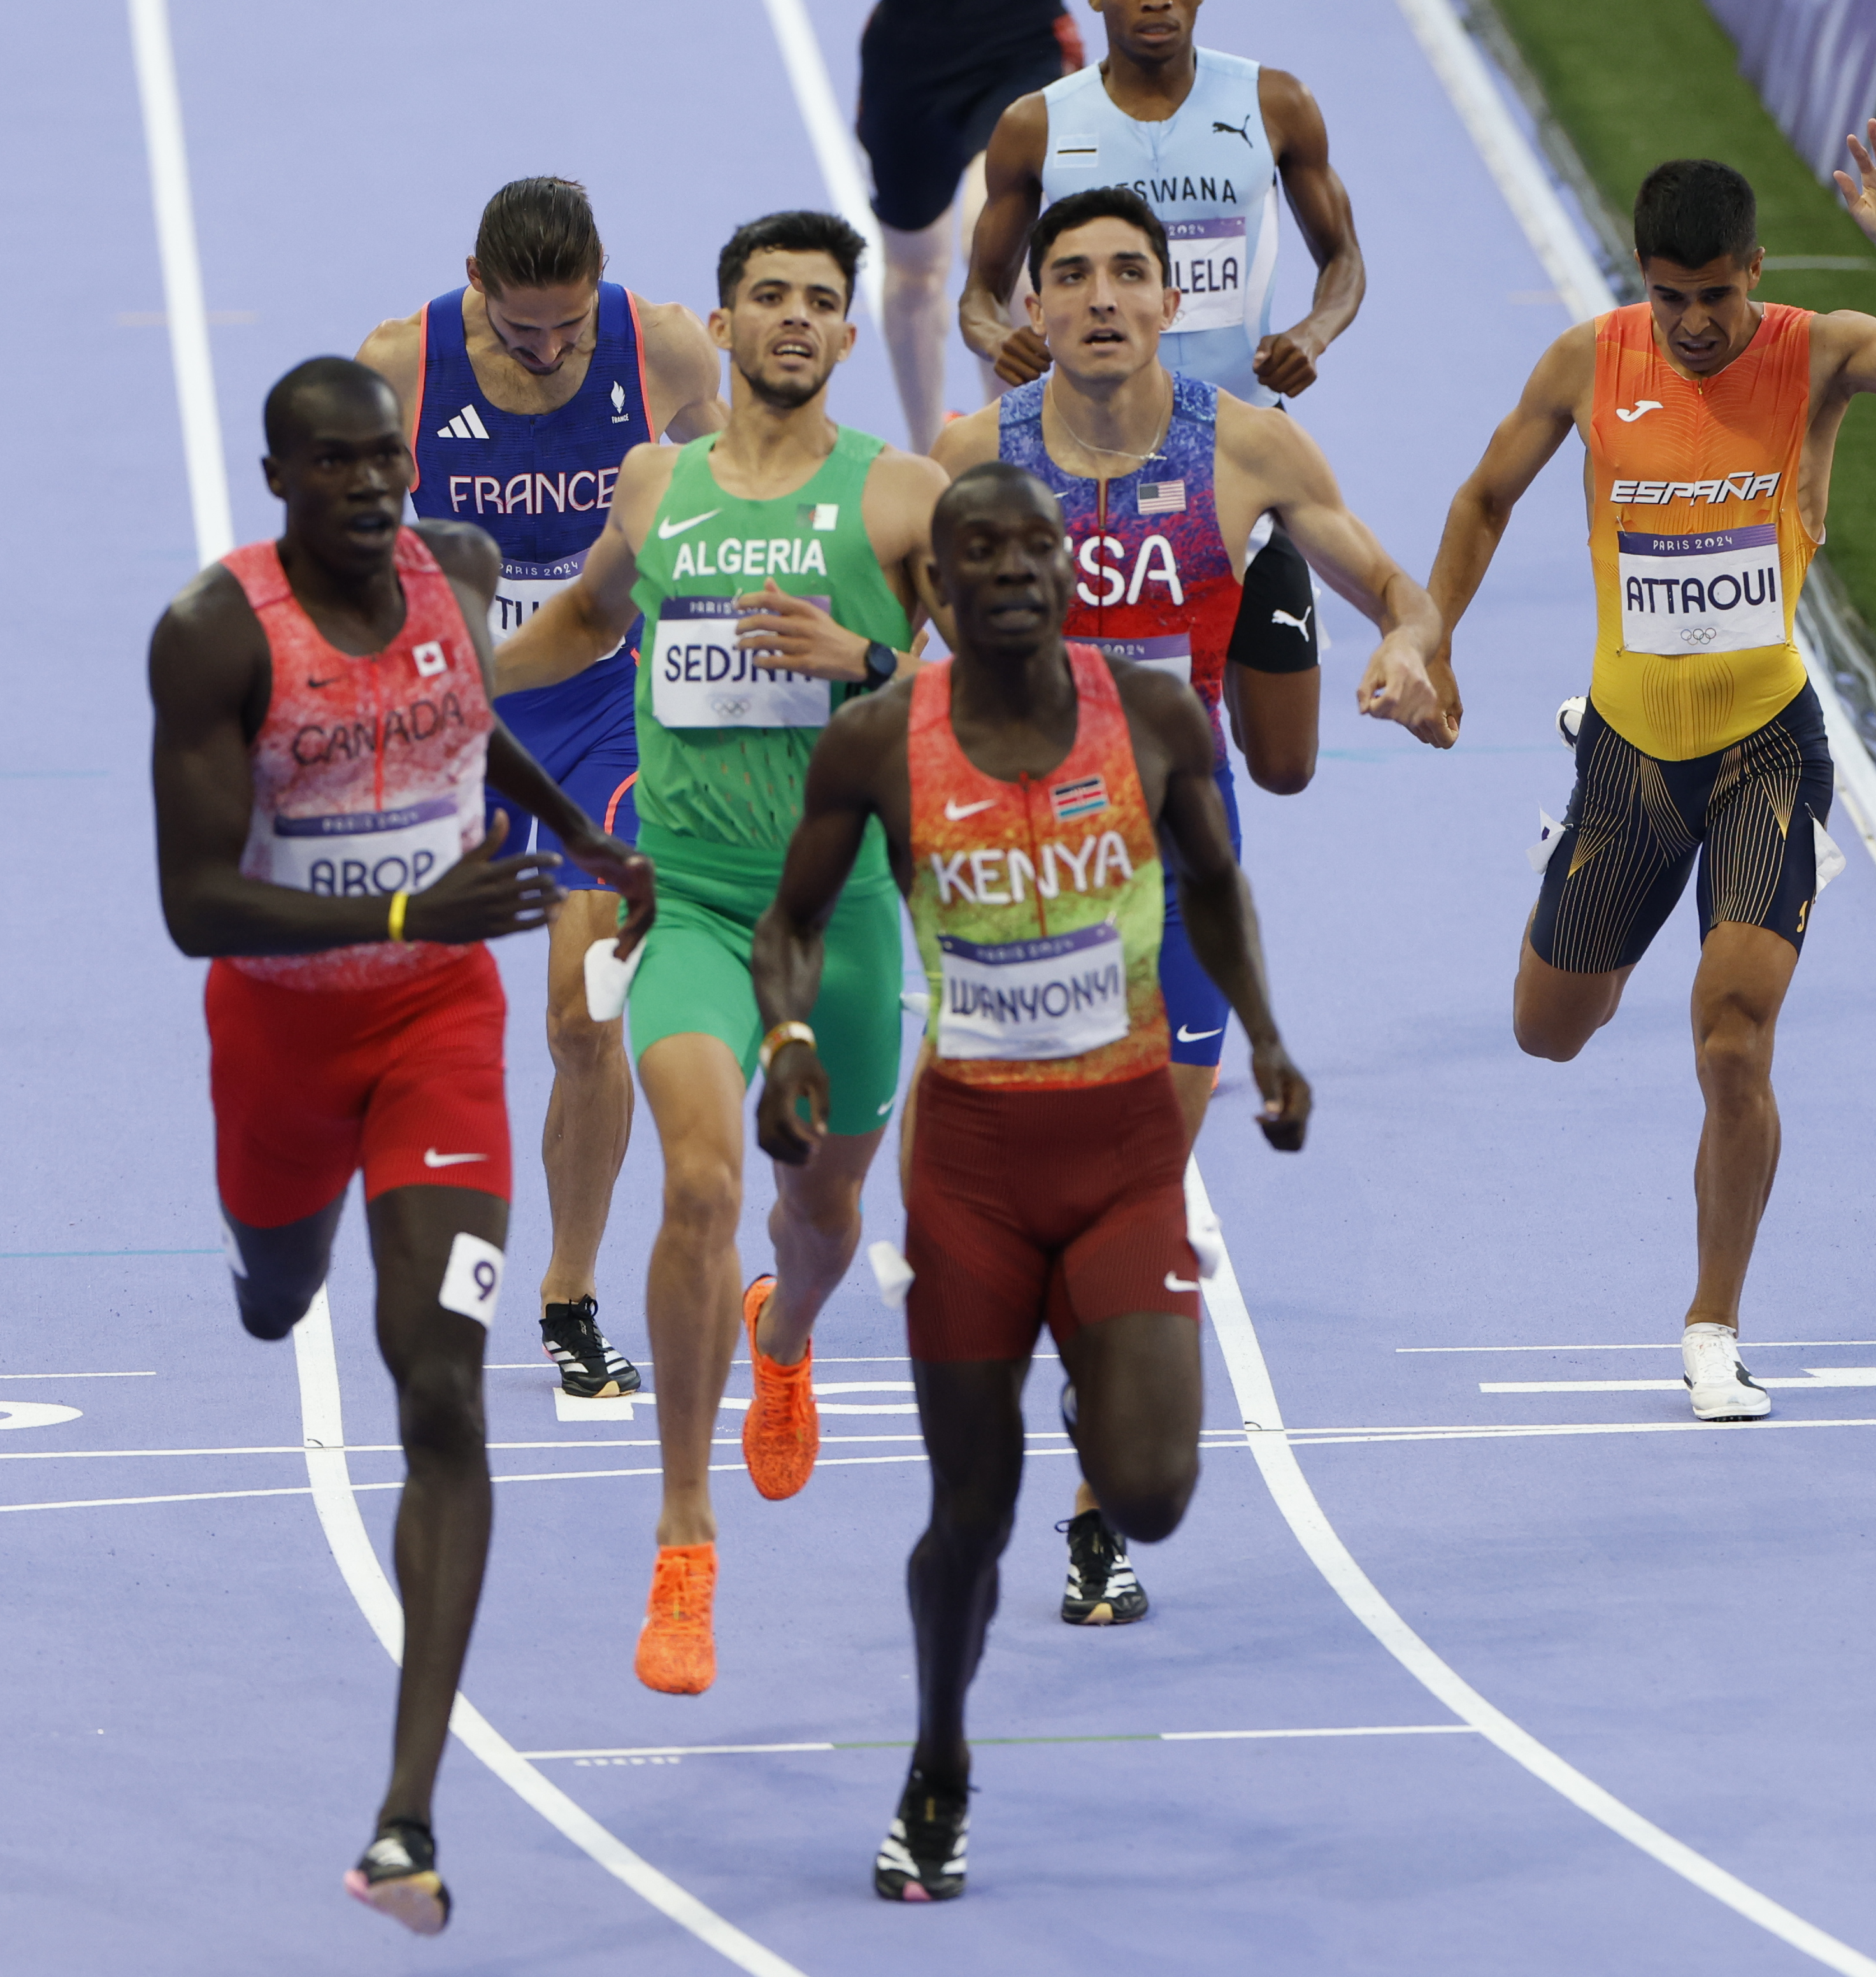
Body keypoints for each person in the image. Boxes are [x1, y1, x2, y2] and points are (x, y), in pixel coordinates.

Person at [749, 460, 1310, 1901]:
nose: (1009, 570)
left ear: (1067, 573)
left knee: (1155, 1490)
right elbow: (793, 921)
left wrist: (1264, 1038)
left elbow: (1212, 888)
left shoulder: (1154, 718)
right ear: (933, 590)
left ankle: (1096, 1373)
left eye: (1032, 549)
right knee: (974, 1512)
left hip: (1124, 1155)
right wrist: (793, 1033)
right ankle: (937, 1763)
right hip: (979, 1173)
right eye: (976, 553)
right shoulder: (880, 742)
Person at [146, 357, 650, 1932]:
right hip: (283, 1036)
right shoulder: (217, 636)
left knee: (437, 1379)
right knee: (282, 1290)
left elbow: (466, 725)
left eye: (387, 461)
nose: (372, 489)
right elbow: (189, 908)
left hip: (439, 1024)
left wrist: (575, 839)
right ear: (279, 478)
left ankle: (406, 1817)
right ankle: (262, 1253)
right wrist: (396, 905)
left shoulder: (464, 575)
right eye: (337, 468)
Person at [1426, 136, 1876, 1420]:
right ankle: (1590, 865)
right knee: (1549, 1030)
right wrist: (1429, 631)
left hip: (1764, 750)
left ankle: (1712, 1322)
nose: (1693, 324)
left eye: (1716, 298)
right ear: (1645, 280)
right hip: (1630, 754)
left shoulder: (1822, 351)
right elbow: (1481, 499)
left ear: (1756, 272)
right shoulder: (1589, 360)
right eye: (1669, 297)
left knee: (1735, 1038)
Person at [933, 185, 1443, 1620]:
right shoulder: (977, 456)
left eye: (1129, 275)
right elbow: (891, 626)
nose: (1101, 297)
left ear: (1173, 300)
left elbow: (1387, 578)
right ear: (1032, 312)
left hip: (1177, 890)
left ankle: (1093, 1508)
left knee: (1133, 1204)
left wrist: (1409, 645)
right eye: (1074, 276)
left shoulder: (1249, 449)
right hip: (1012, 896)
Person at [496, 211, 950, 1695]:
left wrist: (869, 663)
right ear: (728, 319)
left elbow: (997, 691)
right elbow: (579, 619)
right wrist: (432, 676)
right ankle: (682, 1541)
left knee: (815, 1224)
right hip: (688, 908)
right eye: (772, 299)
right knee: (695, 1176)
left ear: (842, 328)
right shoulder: (657, 482)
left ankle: (790, 1331)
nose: (799, 322)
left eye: (825, 302)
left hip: (843, 916)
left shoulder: (900, 501)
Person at [355, 178, 723, 1404]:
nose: (554, 351)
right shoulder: (400, 365)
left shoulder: (656, 341)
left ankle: (568, 1293)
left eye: (570, 326)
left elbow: (726, 478)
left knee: (580, 1017)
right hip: (453, 722)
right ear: (475, 283)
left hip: (603, 720)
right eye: (524, 332)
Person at [961, 0, 1370, 793]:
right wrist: (996, 337)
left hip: (1239, 458)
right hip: (1092, 470)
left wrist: (1313, 334)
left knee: (1285, 765)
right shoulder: (1035, 125)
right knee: (1086, 736)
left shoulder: (1276, 104)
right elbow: (979, 293)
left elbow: (1344, 259)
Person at [855, 0, 1085, 450]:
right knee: (912, 277)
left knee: (995, 245)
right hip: (907, 56)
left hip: (1017, 40)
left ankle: (1008, 449)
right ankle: (927, 455)